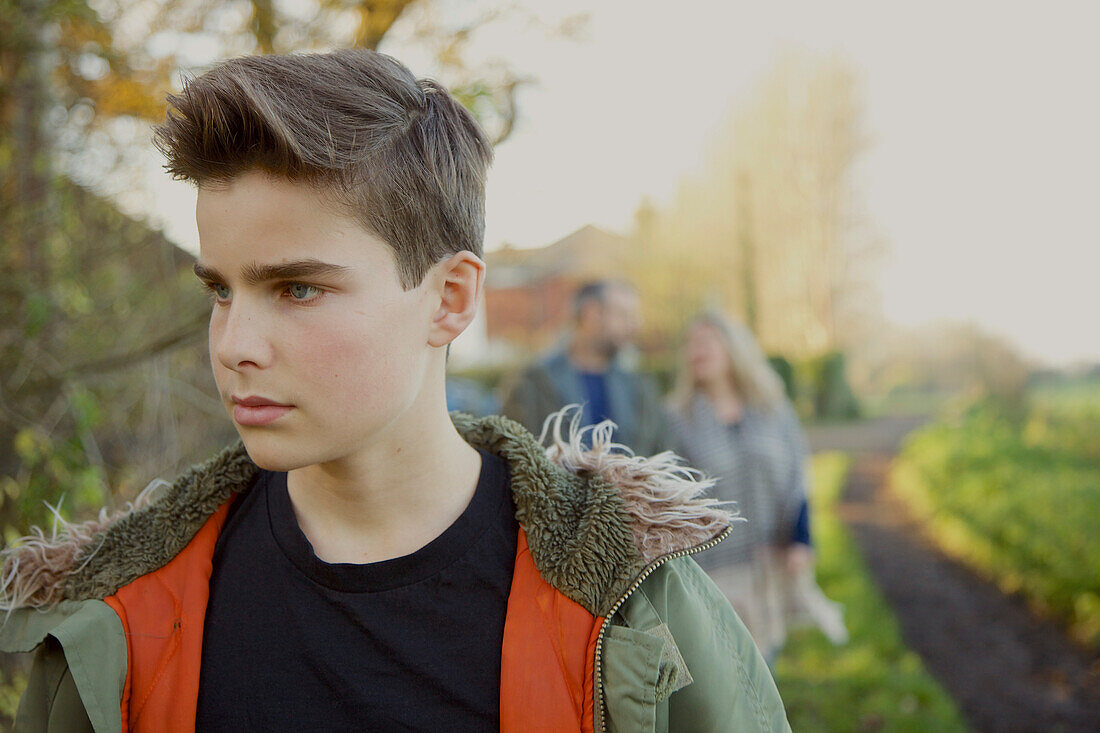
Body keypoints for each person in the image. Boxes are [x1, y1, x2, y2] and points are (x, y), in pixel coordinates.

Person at [0, 51, 790, 731]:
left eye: (298, 289)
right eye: (221, 290)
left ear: (450, 299)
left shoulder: (635, 610)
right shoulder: (115, 617)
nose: (235, 345)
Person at [667, 311, 847, 663]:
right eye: (690, 344)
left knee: (767, 669)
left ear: (733, 347)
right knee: (727, 674)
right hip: (713, 571)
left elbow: (799, 474)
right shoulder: (677, 419)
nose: (695, 351)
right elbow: (671, 496)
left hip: (773, 561)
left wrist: (802, 538)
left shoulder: (772, 408)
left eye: (706, 340)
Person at [501, 279, 671, 455]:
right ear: (591, 313)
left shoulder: (639, 385)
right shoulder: (534, 383)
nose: (636, 326)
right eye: (624, 315)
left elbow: (663, 453)